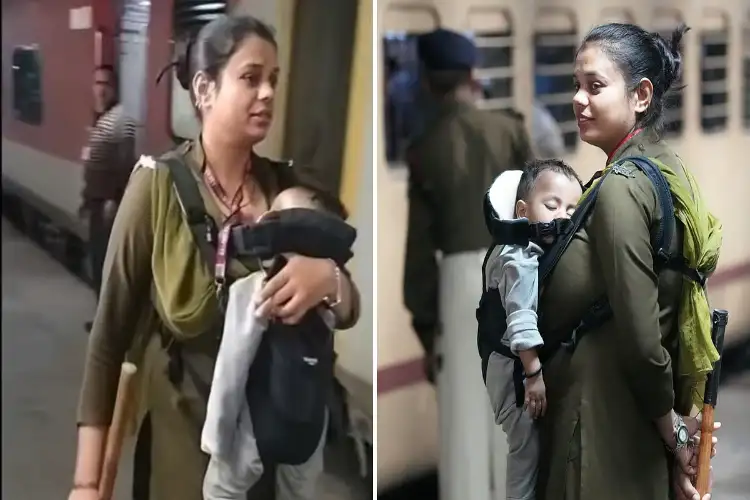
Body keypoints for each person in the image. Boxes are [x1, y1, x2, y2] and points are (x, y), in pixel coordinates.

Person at [68, 15, 360, 500]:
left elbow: (350, 310)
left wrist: (327, 279)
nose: (267, 92)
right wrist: (86, 481)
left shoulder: (286, 188)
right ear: (204, 90)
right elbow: (108, 339)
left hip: (270, 461)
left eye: (273, 81)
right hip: (180, 461)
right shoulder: (156, 187)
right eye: (250, 78)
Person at [534, 23, 720, 500]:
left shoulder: (620, 186)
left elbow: (641, 335)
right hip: (627, 424)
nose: (578, 99)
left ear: (641, 95)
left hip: (602, 430)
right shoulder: (666, 166)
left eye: (595, 86)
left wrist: (675, 436)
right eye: (576, 85)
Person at [402, 28, 533, 500]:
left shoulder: (425, 149)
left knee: (465, 425)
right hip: (515, 275)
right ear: (473, 76)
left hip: (460, 288)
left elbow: (418, 257)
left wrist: (425, 330)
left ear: (428, 82)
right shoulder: (511, 130)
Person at [201, 183, 355, 500]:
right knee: (300, 492)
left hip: (259, 423)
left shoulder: (255, 289)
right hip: (309, 430)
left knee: (222, 488)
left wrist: (217, 434)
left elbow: (232, 364)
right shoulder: (326, 302)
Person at [483, 159, 582, 500]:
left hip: (507, 365)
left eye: (572, 209)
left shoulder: (515, 247)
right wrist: (533, 373)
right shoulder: (520, 257)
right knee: (525, 446)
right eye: (552, 206)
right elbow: (521, 319)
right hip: (512, 369)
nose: (563, 216)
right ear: (523, 211)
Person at [79, 64, 137, 333]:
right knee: (98, 264)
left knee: (106, 267)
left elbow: (126, 164)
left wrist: (114, 199)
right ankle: (104, 321)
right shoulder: (102, 119)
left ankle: (110, 327)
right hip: (97, 203)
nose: (100, 89)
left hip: (108, 208)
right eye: (97, 83)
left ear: (114, 89)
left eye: (106, 84)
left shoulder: (121, 120)